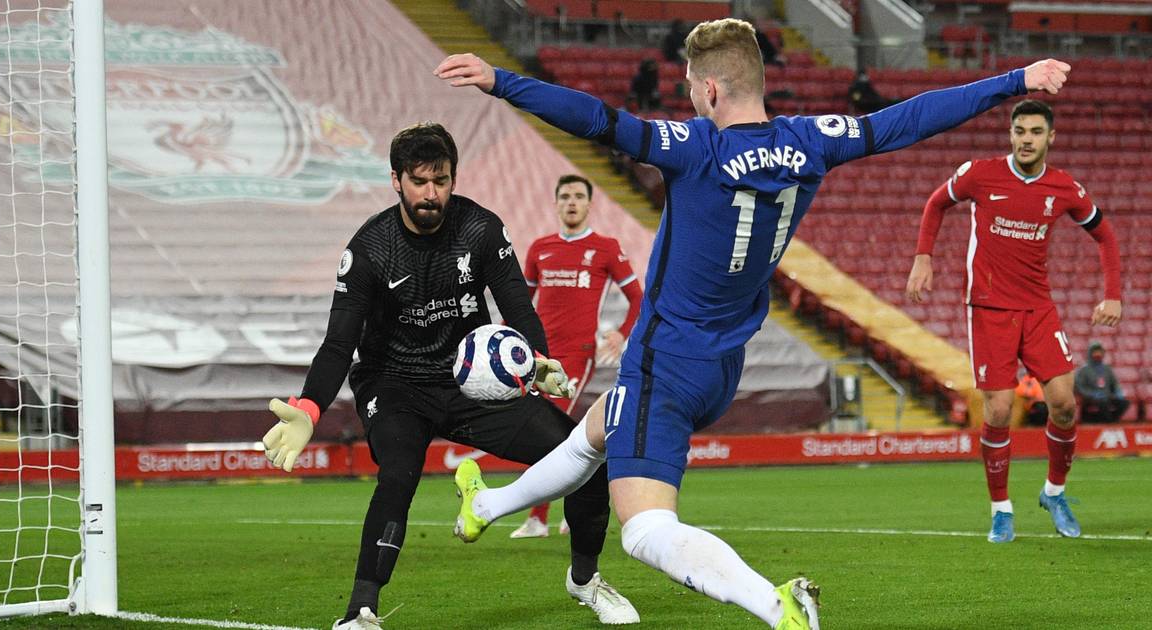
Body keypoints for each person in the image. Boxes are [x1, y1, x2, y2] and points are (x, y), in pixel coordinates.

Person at [436, 17, 1070, 629]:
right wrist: (1014, 80)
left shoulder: (697, 147)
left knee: (645, 530)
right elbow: (911, 118)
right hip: (724, 364)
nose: (690, 96)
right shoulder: (812, 141)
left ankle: (777, 606)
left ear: (711, 88)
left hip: (666, 359)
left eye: (691, 85)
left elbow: (598, 120)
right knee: (599, 429)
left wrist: (502, 81)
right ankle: (485, 504)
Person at [259, 122, 639, 629]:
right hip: (394, 383)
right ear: (396, 181)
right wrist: (309, 407)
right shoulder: (370, 247)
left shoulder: (480, 229)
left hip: (470, 380)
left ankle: (585, 580)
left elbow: (518, 307)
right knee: (398, 474)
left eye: (440, 181)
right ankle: (361, 612)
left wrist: (539, 361)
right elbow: (338, 342)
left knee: (582, 455)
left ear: (453, 179)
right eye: (418, 181)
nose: (430, 193)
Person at [905, 99, 1122, 544]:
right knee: (1000, 409)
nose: (1026, 139)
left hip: (1038, 308)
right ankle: (1001, 510)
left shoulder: (1064, 188)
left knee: (1064, 404)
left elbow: (1105, 236)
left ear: (1050, 137)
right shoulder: (979, 174)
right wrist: (923, 257)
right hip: (989, 308)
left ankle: (1054, 493)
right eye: (1020, 131)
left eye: (1036, 132)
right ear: (1010, 134)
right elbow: (935, 204)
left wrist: (1113, 295)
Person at [510, 174, 644, 539]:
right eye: (565, 196)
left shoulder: (605, 248)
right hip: (538, 354)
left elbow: (638, 297)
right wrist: (503, 336)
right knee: (557, 433)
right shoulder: (540, 248)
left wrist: (621, 332)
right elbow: (521, 302)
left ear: (589, 204)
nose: (571, 202)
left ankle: (539, 519)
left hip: (577, 354)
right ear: (556, 203)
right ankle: (579, 501)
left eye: (578, 196)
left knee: (547, 431)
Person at [1074, 341, 1130, 423]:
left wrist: (1118, 392)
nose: (1098, 354)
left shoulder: (1107, 369)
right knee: (1103, 403)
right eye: (1095, 352)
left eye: (1099, 352)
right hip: (1090, 398)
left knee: (1124, 403)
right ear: (1090, 353)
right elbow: (1080, 387)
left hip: (1106, 396)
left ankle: (1112, 421)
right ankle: (1107, 422)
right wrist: (1092, 394)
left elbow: (1114, 384)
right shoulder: (1083, 370)